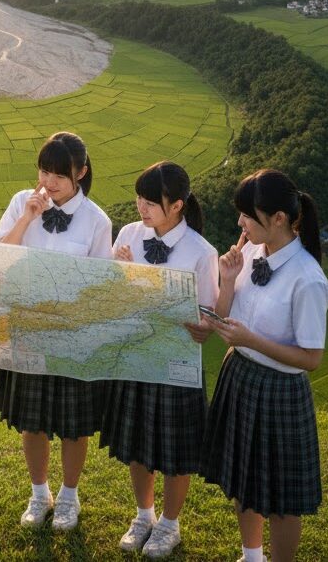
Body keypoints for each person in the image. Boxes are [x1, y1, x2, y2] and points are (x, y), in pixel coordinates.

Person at [198, 169, 328, 562]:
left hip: (279, 391)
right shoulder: (252, 254)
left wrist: (250, 341)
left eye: (247, 215)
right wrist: (227, 279)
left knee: (282, 499)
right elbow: (222, 317)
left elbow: (312, 359)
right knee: (245, 478)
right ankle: (251, 555)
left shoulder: (308, 279)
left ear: (278, 219)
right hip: (239, 373)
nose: (240, 223)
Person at [0, 131, 112, 531]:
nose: (49, 181)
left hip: (73, 333)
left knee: (73, 424)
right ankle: (39, 492)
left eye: (60, 174)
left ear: (81, 172)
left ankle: (69, 497)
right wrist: (28, 216)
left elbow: (101, 288)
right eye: (44, 171)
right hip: (27, 327)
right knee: (33, 419)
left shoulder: (97, 221)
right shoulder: (20, 202)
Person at [100, 161, 219, 557]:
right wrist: (120, 275)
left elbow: (207, 319)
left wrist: (182, 314)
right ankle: (143, 515)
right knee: (137, 442)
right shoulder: (130, 233)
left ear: (178, 206)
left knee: (175, 448)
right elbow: (112, 292)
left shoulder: (202, 253)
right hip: (134, 353)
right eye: (140, 198)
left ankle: (170, 524)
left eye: (152, 202)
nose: (142, 207)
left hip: (175, 360)